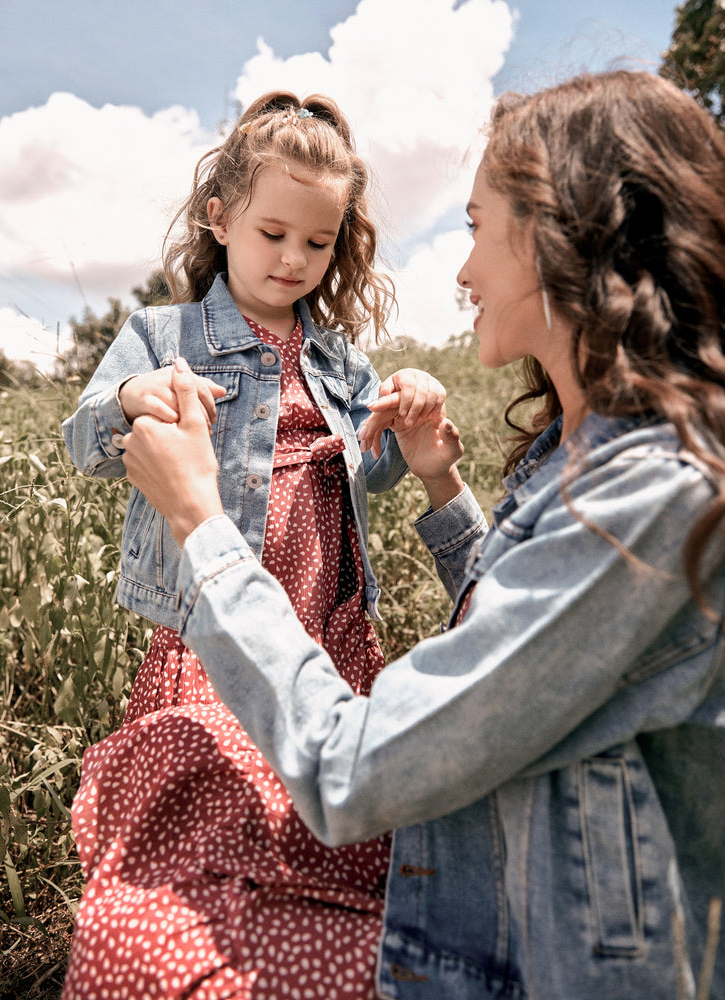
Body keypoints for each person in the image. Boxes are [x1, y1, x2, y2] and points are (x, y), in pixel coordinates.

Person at [117, 70, 725, 1000]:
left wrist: (199, 524)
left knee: (149, 955)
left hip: (526, 967)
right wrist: (442, 481)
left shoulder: (652, 498)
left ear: (567, 237)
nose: (464, 269)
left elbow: (350, 771)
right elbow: (528, 629)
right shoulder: (588, 463)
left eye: (479, 229)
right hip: (485, 921)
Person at [61, 91, 447, 1000]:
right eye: (274, 233)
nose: (294, 260)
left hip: (327, 625)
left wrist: (397, 424)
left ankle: (295, 944)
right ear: (220, 216)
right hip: (209, 622)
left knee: (316, 803)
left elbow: (368, 481)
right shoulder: (166, 336)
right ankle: (192, 942)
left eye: (318, 244)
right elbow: (84, 441)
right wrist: (132, 400)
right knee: (211, 792)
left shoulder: (340, 359)